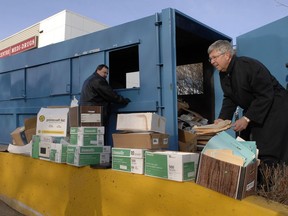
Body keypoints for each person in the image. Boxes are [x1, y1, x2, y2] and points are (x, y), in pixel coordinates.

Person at [208, 40, 288, 166]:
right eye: (210, 59)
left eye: (214, 57)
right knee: (245, 145)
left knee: (268, 149)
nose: (212, 61)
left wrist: (246, 118)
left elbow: (265, 95)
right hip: (256, 109)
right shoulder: (223, 74)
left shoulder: (247, 65)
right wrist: (222, 119)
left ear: (227, 55)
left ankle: (272, 182)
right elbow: (229, 97)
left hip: (274, 108)